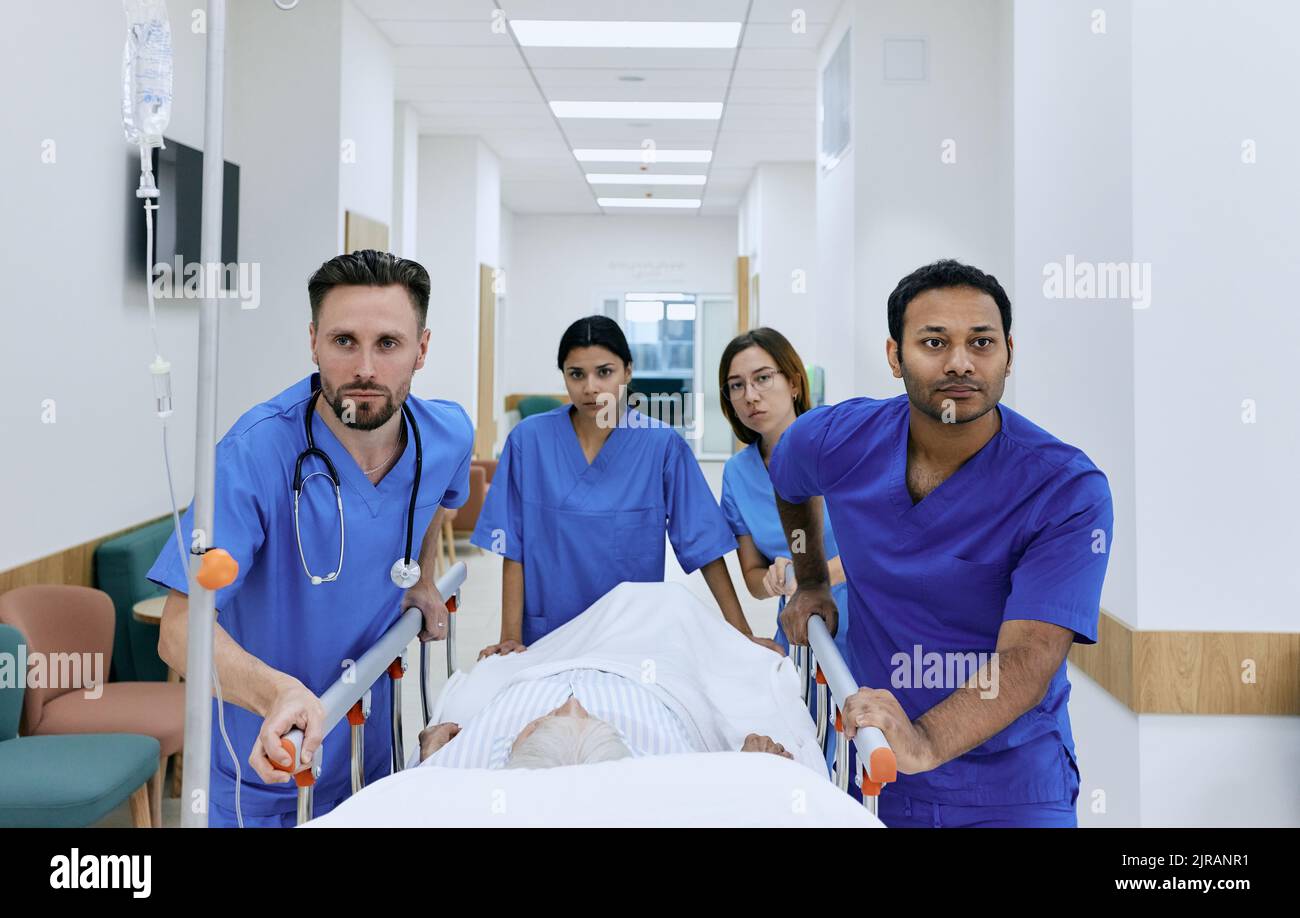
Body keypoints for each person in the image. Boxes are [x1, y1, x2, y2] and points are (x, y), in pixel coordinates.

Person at [771, 259, 1113, 828]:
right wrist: (810, 580)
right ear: (894, 355)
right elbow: (789, 480)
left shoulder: (1064, 488)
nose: (960, 362)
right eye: (934, 342)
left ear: (1008, 353)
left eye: (981, 342)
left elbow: (1028, 657)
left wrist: (924, 740)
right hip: (879, 769)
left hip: (1011, 784)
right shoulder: (839, 438)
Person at [147, 250, 475, 827]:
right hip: (266, 767)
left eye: (389, 344)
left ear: (422, 349)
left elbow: (440, 502)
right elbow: (178, 632)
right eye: (344, 340)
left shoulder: (446, 435)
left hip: (366, 751)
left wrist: (422, 577)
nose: (365, 368)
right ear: (314, 342)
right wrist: (276, 694)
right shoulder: (252, 456)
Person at [471, 315, 768, 657]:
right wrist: (510, 637)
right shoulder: (529, 441)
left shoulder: (661, 445)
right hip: (547, 634)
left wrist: (741, 633)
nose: (590, 387)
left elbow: (704, 546)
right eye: (576, 374)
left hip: (631, 637)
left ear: (628, 371)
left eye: (604, 372)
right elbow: (513, 545)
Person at [417, 678, 794, 769]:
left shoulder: (473, 764)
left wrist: (431, 766)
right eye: (598, 720)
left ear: (518, 740)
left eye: (549, 717)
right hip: (646, 679)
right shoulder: (670, 760)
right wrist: (753, 773)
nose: (573, 700)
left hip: (533, 669)